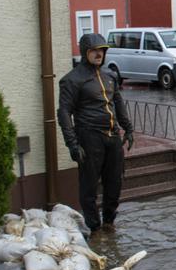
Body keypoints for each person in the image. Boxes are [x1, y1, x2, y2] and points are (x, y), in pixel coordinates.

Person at [57, 33, 134, 232]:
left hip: (112, 136)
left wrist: (128, 128)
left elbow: (117, 102)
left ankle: (109, 221)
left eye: (102, 50)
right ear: (85, 52)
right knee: (89, 185)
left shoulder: (109, 76)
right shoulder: (72, 80)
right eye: (94, 50)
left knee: (114, 182)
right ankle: (94, 226)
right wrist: (72, 144)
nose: (99, 54)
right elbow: (64, 112)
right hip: (89, 137)